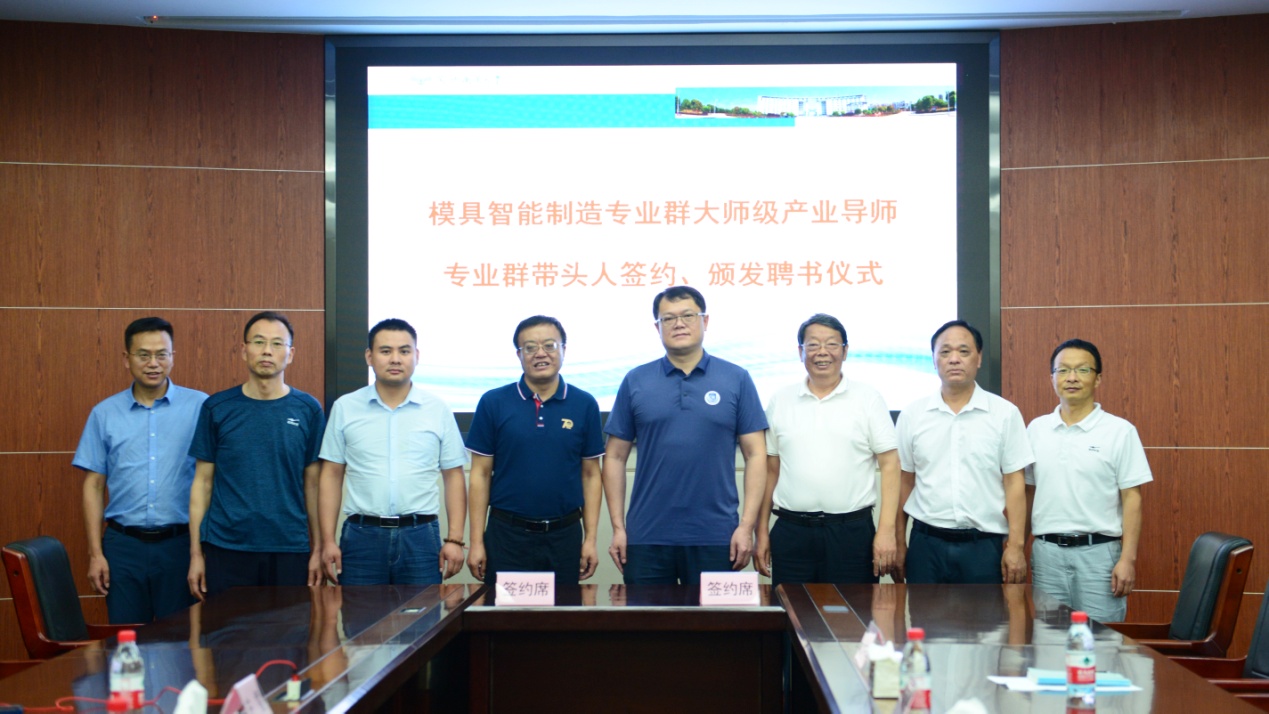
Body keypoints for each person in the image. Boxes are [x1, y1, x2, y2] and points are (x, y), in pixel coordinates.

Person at [602, 286, 768, 585]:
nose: (678, 324)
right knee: (645, 617)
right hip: (647, 535)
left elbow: (756, 454)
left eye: (688, 316)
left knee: (716, 618)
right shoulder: (636, 380)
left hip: (718, 535)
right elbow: (614, 456)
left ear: (705, 321)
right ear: (657, 327)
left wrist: (746, 527)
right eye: (668, 318)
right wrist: (618, 527)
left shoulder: (736, 378)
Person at [73, 317, 207, 622]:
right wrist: (96, 554)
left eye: (162, 354)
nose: (153, 363)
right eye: (143, 355)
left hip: (181, 545)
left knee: (179, 640)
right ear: (127, 358)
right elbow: (93, 486)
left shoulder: (200, 407)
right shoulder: (104, 414)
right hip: (123, 548)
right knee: (127, 639)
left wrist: (199, 552)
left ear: (173, 356)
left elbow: (213, 479)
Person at [317, 318, 468, 585]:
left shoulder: (437, 409)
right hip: (361, 536)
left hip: (420, 536)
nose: (395, 359)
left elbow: (454, 475)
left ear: (417, 356)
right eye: (385, 351)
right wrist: (328, 541)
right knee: (359, 612)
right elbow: (331, 475)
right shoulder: (345, 407)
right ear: (369, 356)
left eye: (404, 351)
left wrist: (455, 539)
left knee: (423, 612)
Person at [187, 311, 325, 600]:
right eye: (259, 342)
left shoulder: (308, 409)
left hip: (289, 548)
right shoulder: (217, 408)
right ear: (243, 350)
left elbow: (313, 485)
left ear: (290, 354)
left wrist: (318, 549)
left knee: (289, 629)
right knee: (226, 629)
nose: (267, 351)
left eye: (277, 343)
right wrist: (196, 554)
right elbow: (202, 484)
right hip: (226, 547)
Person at [756, 313, 900, 586]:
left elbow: (891, 465)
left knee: (853, 611)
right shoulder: (781, 400)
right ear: (800, 351)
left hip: (851, 533)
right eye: (813, 345)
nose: (822, 352)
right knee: (792, 610)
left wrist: (886, 531)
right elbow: (771, 470)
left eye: (832, 344)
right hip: (791, 532)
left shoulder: (868, 398)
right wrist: (761, 530)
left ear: (845, 351)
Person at [465, 316, 604, 584]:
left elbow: (590, 475)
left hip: (564, 536)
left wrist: (590, 539)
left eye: (550, 345)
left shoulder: (584, 404)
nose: (541, 353)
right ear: (519, 354)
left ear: (564, 349)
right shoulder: (493, 402)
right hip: (507, 537)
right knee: (506, 611)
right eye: (530, 347)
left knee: (562, 610)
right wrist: (476, 542)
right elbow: (480, 475)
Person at [895, 320, 1033, 584]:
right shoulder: (913, 415)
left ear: (979, 358)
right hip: (926, 545)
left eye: (964, 351)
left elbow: (1014, 482)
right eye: (945, 352)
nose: (954, 359)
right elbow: (904, 481)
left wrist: (1016, 546)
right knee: (924, 612)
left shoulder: (1004, 413)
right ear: (933, 360)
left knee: (987, 613)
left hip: (983, 547)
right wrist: (899, 541)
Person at [1026, 338, 1152, 622]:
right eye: (1063, 370)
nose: (1071, 378)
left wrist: (1127, 559)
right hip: (1047, 556)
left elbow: (1132, 498)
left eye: (1082, 370)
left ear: (1098, 379)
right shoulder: (1036, 429)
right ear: (1052, 378)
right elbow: (1028, 493)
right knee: (1049, 641)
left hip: (1100, 555)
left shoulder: (1119, 431)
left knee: (1102, 641)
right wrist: (1017, 548)